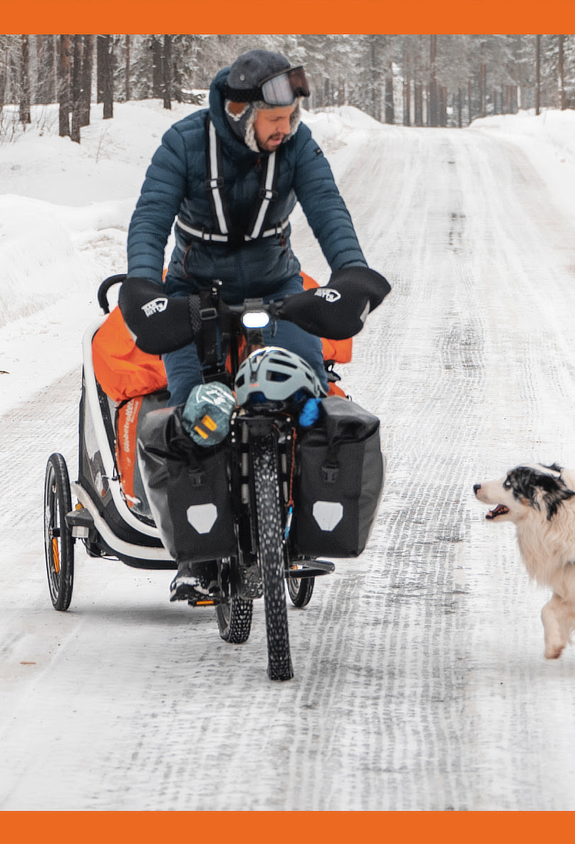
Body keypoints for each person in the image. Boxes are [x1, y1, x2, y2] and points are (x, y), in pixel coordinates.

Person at [125, 49, 370, 601]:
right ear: (242, 114)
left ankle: (303, 530)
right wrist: (144, 284)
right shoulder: (184, 142)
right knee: (192, 403)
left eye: (291, 120)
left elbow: (328, 208)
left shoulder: (298, 146)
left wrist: (349, 270)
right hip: (193, 288)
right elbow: (149, 219)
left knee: (308, 388)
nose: (286, 130)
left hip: (277, 282)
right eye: (275, 121)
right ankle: (197, 554)